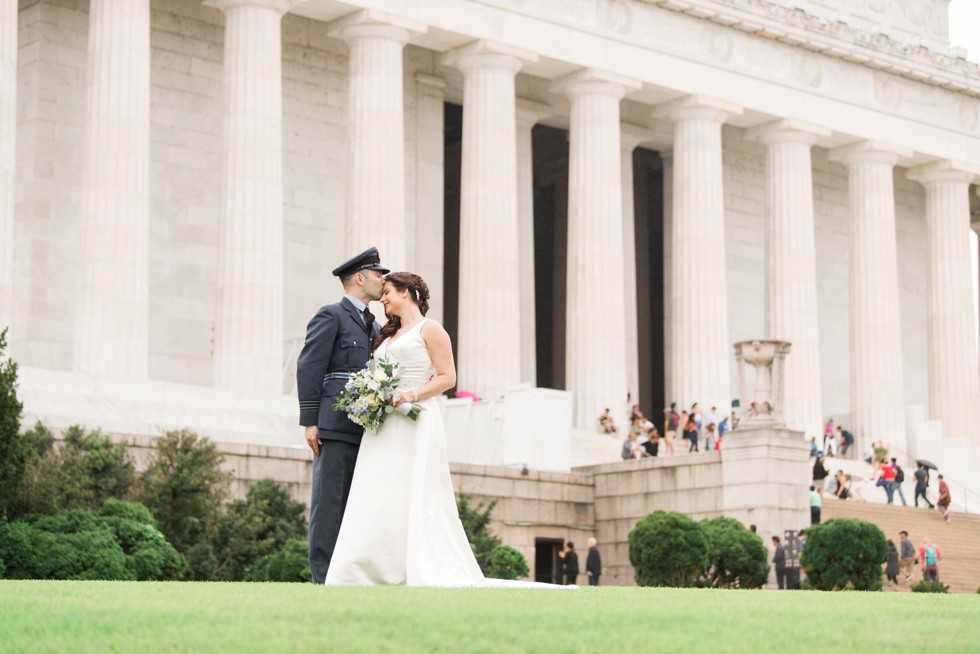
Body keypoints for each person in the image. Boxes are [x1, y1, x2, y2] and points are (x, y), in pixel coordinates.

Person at [324, 272, 566, 588]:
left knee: (413, 489)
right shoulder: (389, 334)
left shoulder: (431, 329)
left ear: (407, 293)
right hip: (383, 423)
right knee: (379, 489)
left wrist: (410, 394)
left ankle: (415, 564)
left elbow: (447, 377)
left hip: (416, 417)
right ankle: (369, 568)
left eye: (388, 292)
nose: (383, 299)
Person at [297, 247, 388, 584]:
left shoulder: (375, 324)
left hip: (367, 427)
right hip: (334, 426)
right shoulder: (331, 315)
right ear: (360, 278)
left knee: (355, 504)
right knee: (329, 503)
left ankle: (348, 573)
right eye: (379, 274)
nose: (383, 280)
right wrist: (310, 420)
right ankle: (323, 576)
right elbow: (309, 365)